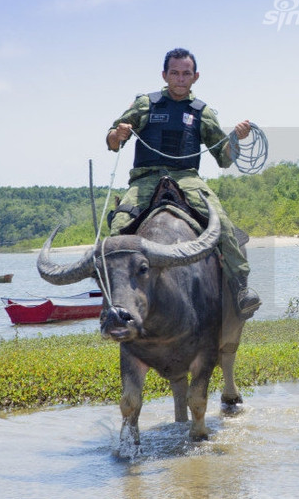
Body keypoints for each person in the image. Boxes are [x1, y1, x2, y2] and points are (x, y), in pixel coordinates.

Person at [106, 47, 261, 319]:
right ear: (164, 75)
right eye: (174, 73)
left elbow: (224, 159)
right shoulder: (144, 104)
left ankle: (241, 287)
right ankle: (114, 297)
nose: (180, 78)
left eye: (186, 73)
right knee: (118, 226)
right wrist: (118, 133)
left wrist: (236, 139)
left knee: (222, 223)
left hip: (187, 177)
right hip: (146, 178)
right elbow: (112, 142)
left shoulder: (203, 112)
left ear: (195, 76)